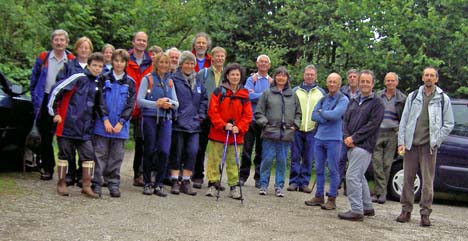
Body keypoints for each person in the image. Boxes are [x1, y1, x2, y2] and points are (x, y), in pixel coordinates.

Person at [396, 67, 454, 227]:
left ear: (436, 79)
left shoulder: (442, 99)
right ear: (422, 78)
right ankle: (405, 210)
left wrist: (437, 140)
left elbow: (449, 123)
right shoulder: (413, 96)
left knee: (427, 182)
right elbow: (405, 120)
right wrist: (401, 141)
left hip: (429, 147)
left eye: (432, 76)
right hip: (411, 145)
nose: (429, 78)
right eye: (426, 75)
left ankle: (425, 213)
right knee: (408, 179)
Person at [46, 52, 105, 198]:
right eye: (94, 65)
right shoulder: (78, 78)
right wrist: (54, 113)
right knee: (65, 155)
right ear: (89, 65)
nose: (97, 68)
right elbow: (56, 90)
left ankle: (86, 186)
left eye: (100, 66)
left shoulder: (97, 83)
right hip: (67, 125)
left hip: (85, 129)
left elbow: (99, 106)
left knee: (88, 156)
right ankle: (61, 183)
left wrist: (104, 119)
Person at [338, 70, 384, 221]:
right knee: (360, 176)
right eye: (362, 81)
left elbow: (372, 126)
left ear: (372, 84)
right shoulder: (353, 101)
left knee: (351, 177)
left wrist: (354, 138)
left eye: (367, 82)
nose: (364, 84)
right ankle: (367, 207)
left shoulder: (377, 103)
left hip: (364, 146)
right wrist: (346, 137)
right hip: (350, 144)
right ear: (358, 83)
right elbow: (345, 120)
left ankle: (356, 210)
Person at [30, 29, 75, 181]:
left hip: (62, 101)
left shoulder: (71, 59)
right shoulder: (43, 58)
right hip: (45, 98)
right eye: (56, 39)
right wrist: (35, 97)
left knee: (65, 136)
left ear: (67, 42)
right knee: (45, 136)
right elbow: (34, 79)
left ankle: (70, 172)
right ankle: (47, 168)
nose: (59, 42)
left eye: (62, 40)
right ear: (52, 42)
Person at [91, 49, 136, 198]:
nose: (118, 64)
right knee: (100, 155)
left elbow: (130, 105)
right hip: (102, 124)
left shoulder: (130, 83)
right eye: (116, 61)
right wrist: (104, 119)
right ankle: (96, 183)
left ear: (126, 63)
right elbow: (99, 101)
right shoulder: (103, 79)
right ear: (112, 62)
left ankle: (113, 184)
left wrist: (121, 122)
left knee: (116, 157)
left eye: (122, 61)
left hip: (120, 127)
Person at [205, 63, 252, 199]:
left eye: (237, 74)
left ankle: (233, 186)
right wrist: (223, 124)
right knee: (214, 160)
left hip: (236, 135)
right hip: (218, 133)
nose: (235, 77)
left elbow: (248, 115)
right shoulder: (219, 91)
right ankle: (212, 184)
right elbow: (212, 111)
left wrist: (240, 127)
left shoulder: (244, 94)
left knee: (234, 161)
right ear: (227, 75)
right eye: (232, 74)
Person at [255, 67, 301, 197]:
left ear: (287, 79)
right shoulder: (267, 93)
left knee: (282, 160)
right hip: (270, 131)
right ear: (274, 77)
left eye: (284, 76)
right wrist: (265, 123)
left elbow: (298, 113)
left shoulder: (293, 95)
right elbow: (259, 112)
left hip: (286, 133)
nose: (281, 78)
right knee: (267, 159)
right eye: (278, 75)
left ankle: (279, 186)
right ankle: (263, 184)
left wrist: (295, 125)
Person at [304, 73, 349, 209]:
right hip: (319, 137)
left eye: (334, 82)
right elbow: (312, 115)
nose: (331, 84)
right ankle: (319, 196)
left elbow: (336, 115)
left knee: (333, 170)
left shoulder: (343, 100)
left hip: (334, 139)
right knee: (318, 169)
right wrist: (325, 116)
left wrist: (321, 113)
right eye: (329, 81)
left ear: (339, 84)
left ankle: (332, 198)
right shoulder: (323, 99)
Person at [137, 52, 179, 197]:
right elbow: (140, 101)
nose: (164, 65)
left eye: (166, 63)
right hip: (149, 118)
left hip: (165, 119)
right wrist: (156, 104)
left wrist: (168, 103)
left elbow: (176, 103)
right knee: (149, 149)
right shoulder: (147, 79)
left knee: (164, 151)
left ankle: (159, 184)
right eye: (161, 62)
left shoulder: (170, 81)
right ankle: (148, 182)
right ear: (156, 64)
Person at [56, 36, 94, 187]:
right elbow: (58, 88)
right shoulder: (68, 67)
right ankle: (68, 175)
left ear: (91, 50)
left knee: (85, 151)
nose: (84, 50)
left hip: (87, 116)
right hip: (69, 114)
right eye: (81, 47)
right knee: (67, 148)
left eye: (87, 47)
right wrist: (56, 111)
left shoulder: (95, 67)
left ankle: (81, 177)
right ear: (76, 48)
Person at [169, 51, 208, 196]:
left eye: (192, 63)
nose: (189, 66)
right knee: (177, 152)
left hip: (195, 123)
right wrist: (175, 115)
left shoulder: (198, 80)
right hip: (178, 123)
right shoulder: (173, 79)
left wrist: (201, 116)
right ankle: (174, 180)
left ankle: (186, 180)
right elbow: (170, 98)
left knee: (192, 151)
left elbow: (204, 99)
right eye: (187, 63)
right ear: (181, 64)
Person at [192, 46, 227, 189]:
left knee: (218, 149)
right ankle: (198, 176)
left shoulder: (228, 74)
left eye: (222, 56)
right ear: (211, 57)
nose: (219, 58)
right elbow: (196, 92)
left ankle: (214, 179)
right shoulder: (203, 73)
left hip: (221, 118)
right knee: (200, 147)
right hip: (205, 116)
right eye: (217, 56)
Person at [288, 64, 325, 193]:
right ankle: (293, 182)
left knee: (309, 157)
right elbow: (289, 109)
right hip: (297, 129)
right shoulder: (295, 91)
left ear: (316, 76)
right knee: (295, 156)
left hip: (313, 130)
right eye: (307, 74)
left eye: (312, 75)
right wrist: (292, 123)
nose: (309, 77)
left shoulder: (321, 92)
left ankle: (304, 183)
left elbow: (323, 110)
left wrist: (319, 124)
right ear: (304, 75)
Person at [371, 72, 407, 204]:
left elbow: (405, 116)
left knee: (387, 163)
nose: (390, 83)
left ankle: (381, 193)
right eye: (388, 81)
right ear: (385, 82)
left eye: (392, 81)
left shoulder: (402, 98)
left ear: (397, 82)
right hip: (378, 131)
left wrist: (400, 130)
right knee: (376, 163)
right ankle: (380, 192)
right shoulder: (378, 96)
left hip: (392, 133)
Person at [239, 54, 273, 188]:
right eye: (261, 62)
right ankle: (242, 176)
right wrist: (265, 95)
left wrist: (258, 95)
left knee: (261, 150)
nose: (263, 64)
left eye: (266, 62)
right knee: (246, 149)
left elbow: (273, 98)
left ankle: (259, 178)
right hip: (250, 119)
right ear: (257, 64)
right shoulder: (251, 79)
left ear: (269, 65)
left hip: (264, 120)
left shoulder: (272, 81)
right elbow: (248, 95)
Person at [126, 31, 153, 187]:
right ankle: (108, 172)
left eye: (144, 40)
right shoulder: (125, 58)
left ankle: (139, 173)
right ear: (133, 42)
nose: (141, 43)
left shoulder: (150, 61)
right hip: (126, 104)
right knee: (115, 139)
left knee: (141, 141)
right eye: (139, 40)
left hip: (143, 106)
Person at [338, 68, 360, 193]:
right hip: (342, 128)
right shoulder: (342, 92)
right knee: (340, 158)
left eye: (354, 77)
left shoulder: (363, 93)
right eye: (350, 76)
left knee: (353, 160)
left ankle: (348, 187)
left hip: (356, 130)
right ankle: (336, 184)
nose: (352, 78)